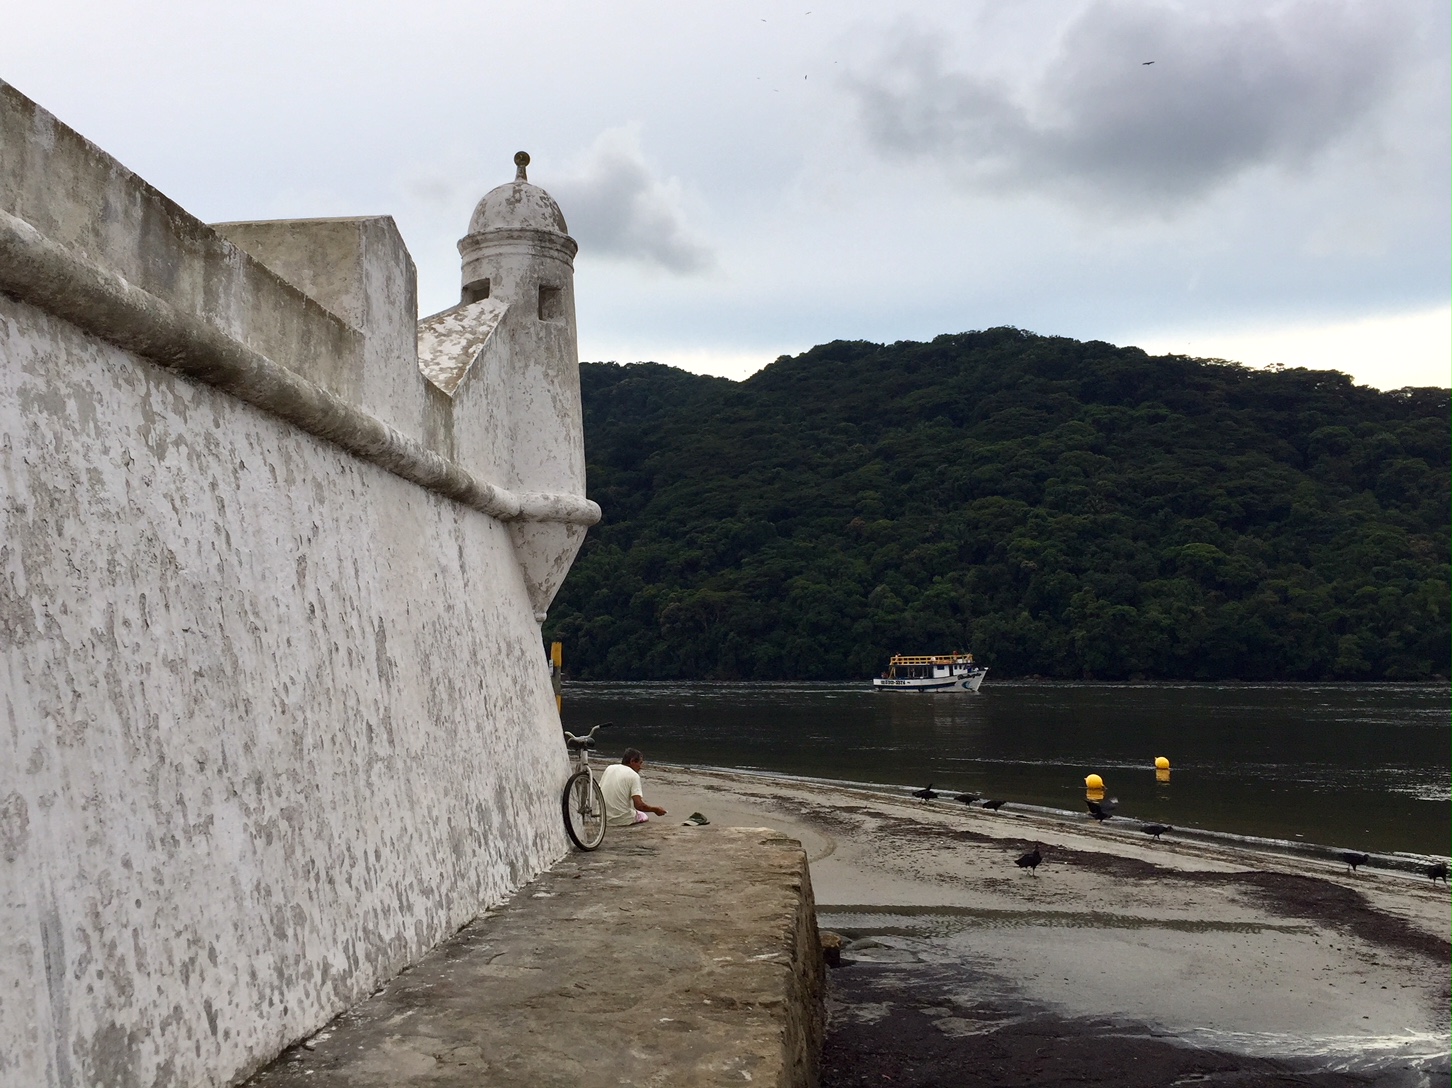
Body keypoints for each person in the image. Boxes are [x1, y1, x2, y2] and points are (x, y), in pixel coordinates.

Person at [598, 748, 667, 827]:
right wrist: (655, 809)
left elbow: (599, 792)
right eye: (640, 763)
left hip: (601, 817)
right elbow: (639, 805)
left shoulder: (609, 768)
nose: (640, 767)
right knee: (644, 816)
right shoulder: (634, 775)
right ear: (632, 761)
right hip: (619, 820)